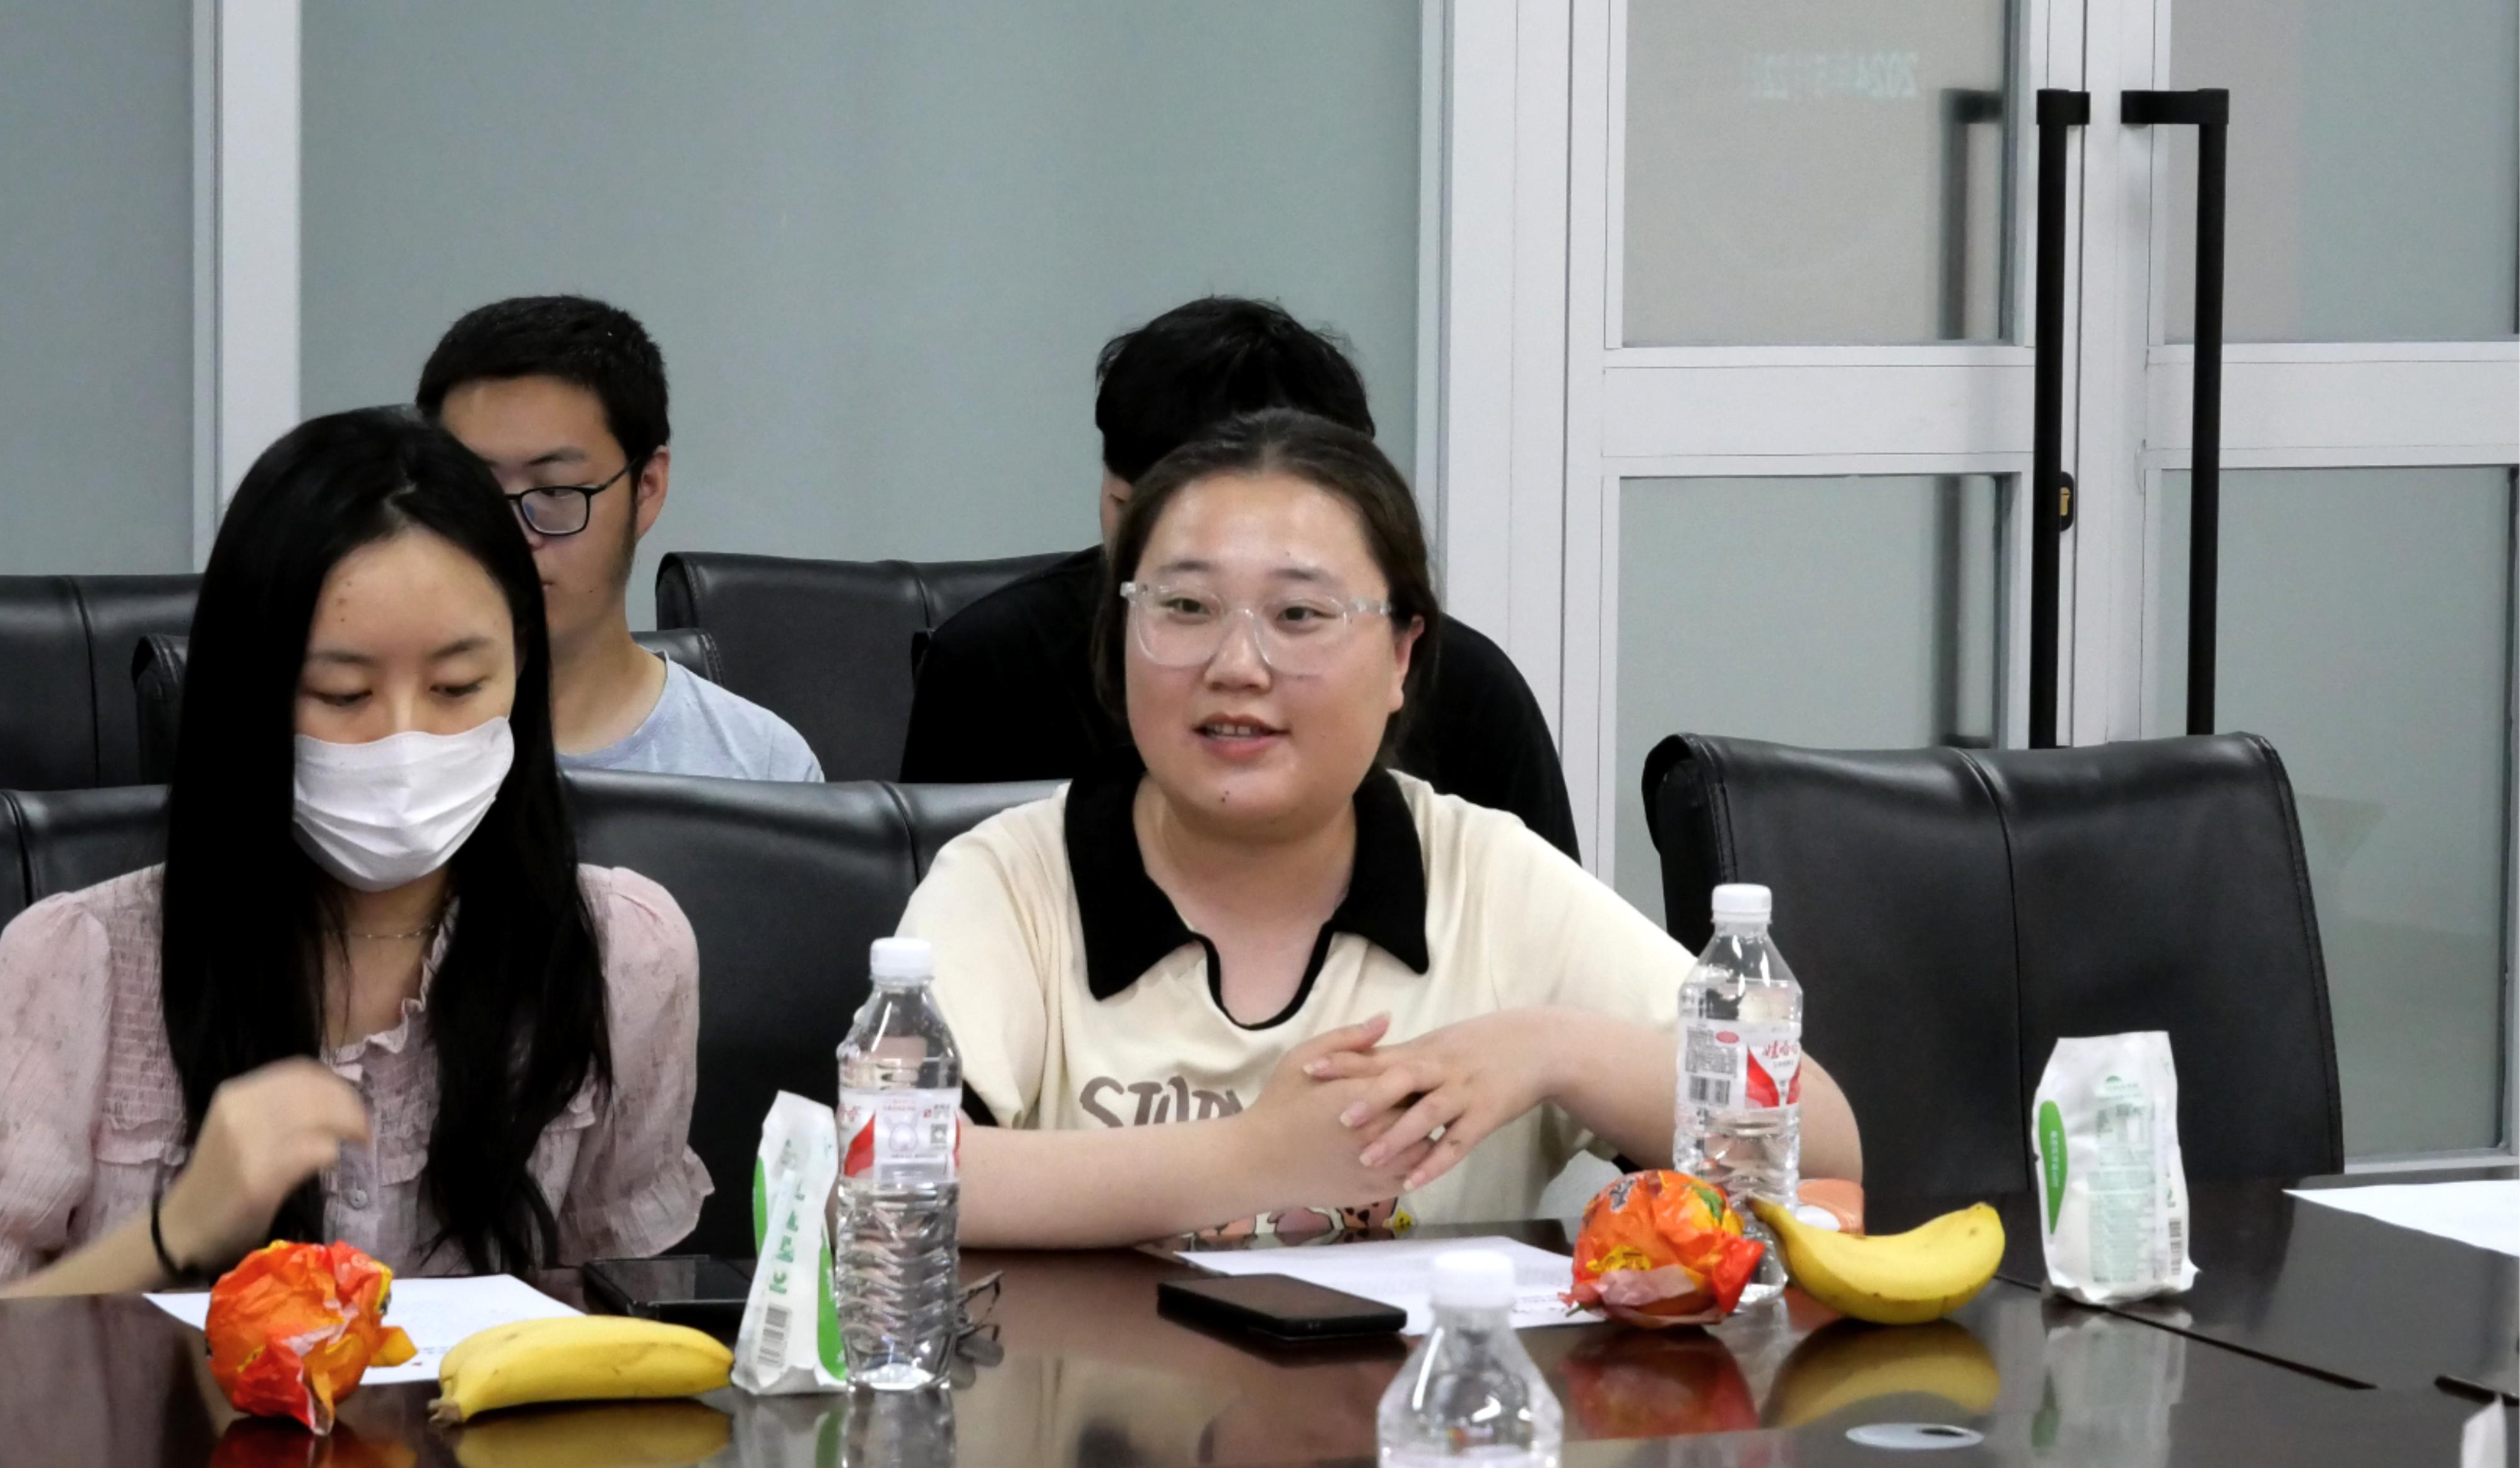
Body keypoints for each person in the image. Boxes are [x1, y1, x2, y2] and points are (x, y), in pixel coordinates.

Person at [897, 408, 1861, 1248]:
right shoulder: (1011, 878)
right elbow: (887, 1172)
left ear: (1402, 653)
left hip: (1431, 1402)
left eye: (1299, 613)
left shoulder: (1485, 877)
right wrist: (1250, 1158)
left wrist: (1554, 1051)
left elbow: (1821, 1146)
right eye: (1184, 606)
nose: (1236, 664)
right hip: (1085, 1406)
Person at [0, 409, 710, 1295]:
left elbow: (622, 1313)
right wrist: (175, 1229)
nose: (404, 741)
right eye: (342, 694)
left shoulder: (622, 954)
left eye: (458, 686)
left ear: (521, 668)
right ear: (249, 696)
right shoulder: (76, 965)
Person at [899, 297, 1581, 858]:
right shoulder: (993, 670)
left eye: (1297, 612)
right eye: (1131, 515)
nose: (1236, 664)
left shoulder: (1470, 695)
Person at [418, 295, 821, 782]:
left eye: (555, 490)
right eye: (474, 490)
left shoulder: (759, 766)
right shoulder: (379, 742)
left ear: (646, 488)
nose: (511, 537)